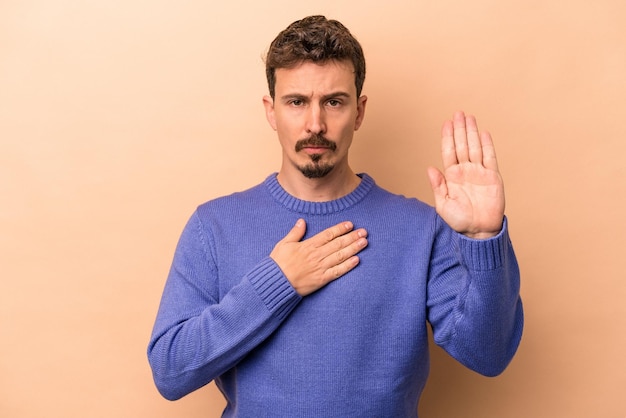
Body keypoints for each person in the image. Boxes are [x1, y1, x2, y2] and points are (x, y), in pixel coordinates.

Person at [147, 15, 523, 417]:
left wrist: (484, 239)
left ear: (359, 112)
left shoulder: (420, 228)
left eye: (334, 102)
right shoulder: (214, 225)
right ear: (271, 110)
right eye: (296, 102)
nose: (316, 125)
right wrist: (277, 284)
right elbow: (171, 371)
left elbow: (489, 354)